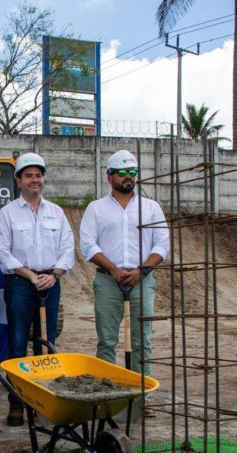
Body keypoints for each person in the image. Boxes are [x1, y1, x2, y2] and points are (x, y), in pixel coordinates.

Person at [0, 152, 74, 426]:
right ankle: (17, 404)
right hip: (20, 285)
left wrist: (54, 274)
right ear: (18, 180)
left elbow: (67, 249)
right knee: (17, 346)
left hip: (50, 285)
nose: (34, 180)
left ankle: (44, 402)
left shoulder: (57, 213)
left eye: (38, 175)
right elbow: (2, 251)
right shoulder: (8, 213)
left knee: (46, 346)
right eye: (28, 175)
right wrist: (30, 275)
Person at [80, 149, 170, 377]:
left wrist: (142, 270)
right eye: (122, 172)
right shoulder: (96, 208)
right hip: (107, 281)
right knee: (107, 341)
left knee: (142, 341)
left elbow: (161, 245)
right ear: (109, 176)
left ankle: (142, 396)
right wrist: (113, 269)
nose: (128, 176)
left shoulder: (151, 208)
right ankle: (107, 394)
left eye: (132, 171)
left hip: (142, 281)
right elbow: (88, 245)